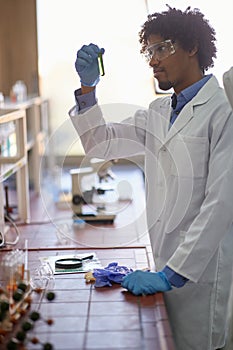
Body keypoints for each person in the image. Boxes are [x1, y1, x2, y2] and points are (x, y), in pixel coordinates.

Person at [69, 5, 233, 350]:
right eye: (150, 50)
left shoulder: (223, 113)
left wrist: (172, 274)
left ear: (192, 48)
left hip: (200, 275)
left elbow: (221, 203)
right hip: (162, 261)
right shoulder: (159, 111)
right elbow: (102, 143)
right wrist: (87, 91)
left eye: (162, 48)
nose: (152, 59)